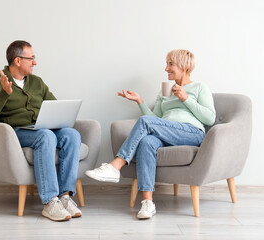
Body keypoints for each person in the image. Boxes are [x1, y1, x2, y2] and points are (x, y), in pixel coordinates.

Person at [85, 49, 216, 220]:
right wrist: (140, 101)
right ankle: (148, 203)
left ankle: (116, 166)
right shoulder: (165, 92)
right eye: (166, 64)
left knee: (145, 122)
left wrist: (186, 98)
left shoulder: (199, 87)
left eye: (170, 64)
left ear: (184, 66)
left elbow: (210, 118)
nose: (166, 68)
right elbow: (156, 120)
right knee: (146, 142)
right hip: (167, 132)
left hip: (191, 133)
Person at [0, 40, 82, 222]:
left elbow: (54, 105)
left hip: (40, 128)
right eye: (31, 58)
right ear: (18, 60)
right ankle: (50, 202)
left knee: (72, 135)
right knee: (46, 136)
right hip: (16, 132)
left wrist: (60, 117)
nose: (35, 62)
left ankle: (65, 197)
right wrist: (4, 93)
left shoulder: (37, 82)